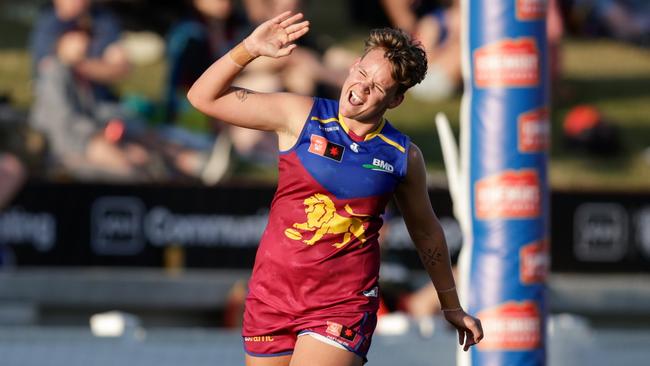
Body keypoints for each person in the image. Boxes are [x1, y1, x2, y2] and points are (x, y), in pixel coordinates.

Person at [187, 11, 482, 365]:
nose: (359, 90)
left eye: (376, 87)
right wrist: (250, 48)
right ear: (353, 65)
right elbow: (203, 97)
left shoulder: (403, 155)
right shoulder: (299, 115)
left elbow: (426, 231)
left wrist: (451, 305)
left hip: (340, 306)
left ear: (395, 100)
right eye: (360, 74)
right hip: (271, 297)